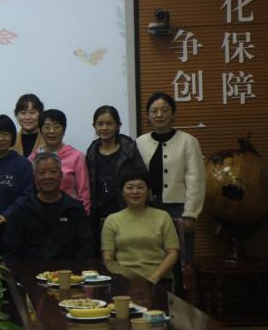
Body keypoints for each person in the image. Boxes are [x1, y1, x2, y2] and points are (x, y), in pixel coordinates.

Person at [136, 92, 205, 263]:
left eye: (164, 110)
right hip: (149, 207)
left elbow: (196, 180)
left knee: (180, 258)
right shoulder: (140, 142)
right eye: (154, 111)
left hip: (178, 208)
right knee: (152, 257)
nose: (159, 115)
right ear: (148, 116)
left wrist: (190, 213)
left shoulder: (188, 141)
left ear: (173, 114)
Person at [3, 152, 92, 261]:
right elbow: (11, 249)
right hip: (30, 269)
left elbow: (85, 248)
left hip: (67, 269)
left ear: (61, 176)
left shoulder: (74, 209)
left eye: (53, 172)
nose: (47, 177)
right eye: (41, 173)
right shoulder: (21, 209)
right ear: (35, 177)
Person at [101, 167, 180, 286]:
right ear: (122, 192)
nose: (135, 191)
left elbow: (173, 253)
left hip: (159, 281)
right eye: (129, 187)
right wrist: (130, 278)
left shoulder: (163, 217)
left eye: (140, 187)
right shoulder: (112, 220)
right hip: (124, 282)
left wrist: (154, 277)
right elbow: (108, 258)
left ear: (148, 191)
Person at [85, 105, 146, 253]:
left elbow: (142, 178)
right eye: (100, 124)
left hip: (126, 212)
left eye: (109, 123)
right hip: (98, 215)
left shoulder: (129, 150)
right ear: (94, 126)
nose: (104, 128)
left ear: (118, 125)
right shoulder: (92, 152)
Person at [28, 109, 91, 215]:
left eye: (57, 127)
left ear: (64, 130)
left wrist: (84, 216)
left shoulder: (77, 156)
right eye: (47, 127)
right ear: (40, 130)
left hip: (69, 213)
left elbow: (84, 192)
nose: (52, 131)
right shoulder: (33, 157)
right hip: (39, 214)